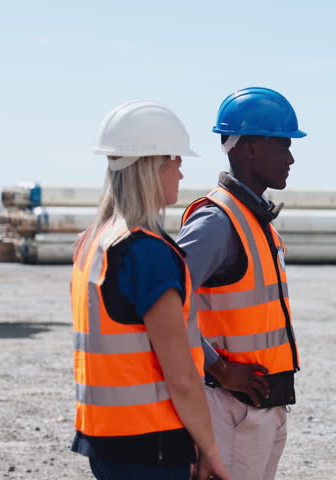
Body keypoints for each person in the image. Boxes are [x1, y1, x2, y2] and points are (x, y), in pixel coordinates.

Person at [71, 100, 228, 479]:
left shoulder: (92, 241)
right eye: (175, 158)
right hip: (151, 444)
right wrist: (210, 450)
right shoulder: (148, 254)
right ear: (151, 165)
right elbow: (181, 376)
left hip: (107, 440)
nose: (181, 169)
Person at [176, 86, 305, 480]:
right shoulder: (216, 221)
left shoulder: (256, 219)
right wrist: (220, 369)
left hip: (263, 407)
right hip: (231, 408)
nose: (291, 158)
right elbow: (165, 304)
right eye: (282, 147)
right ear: (248, 150)